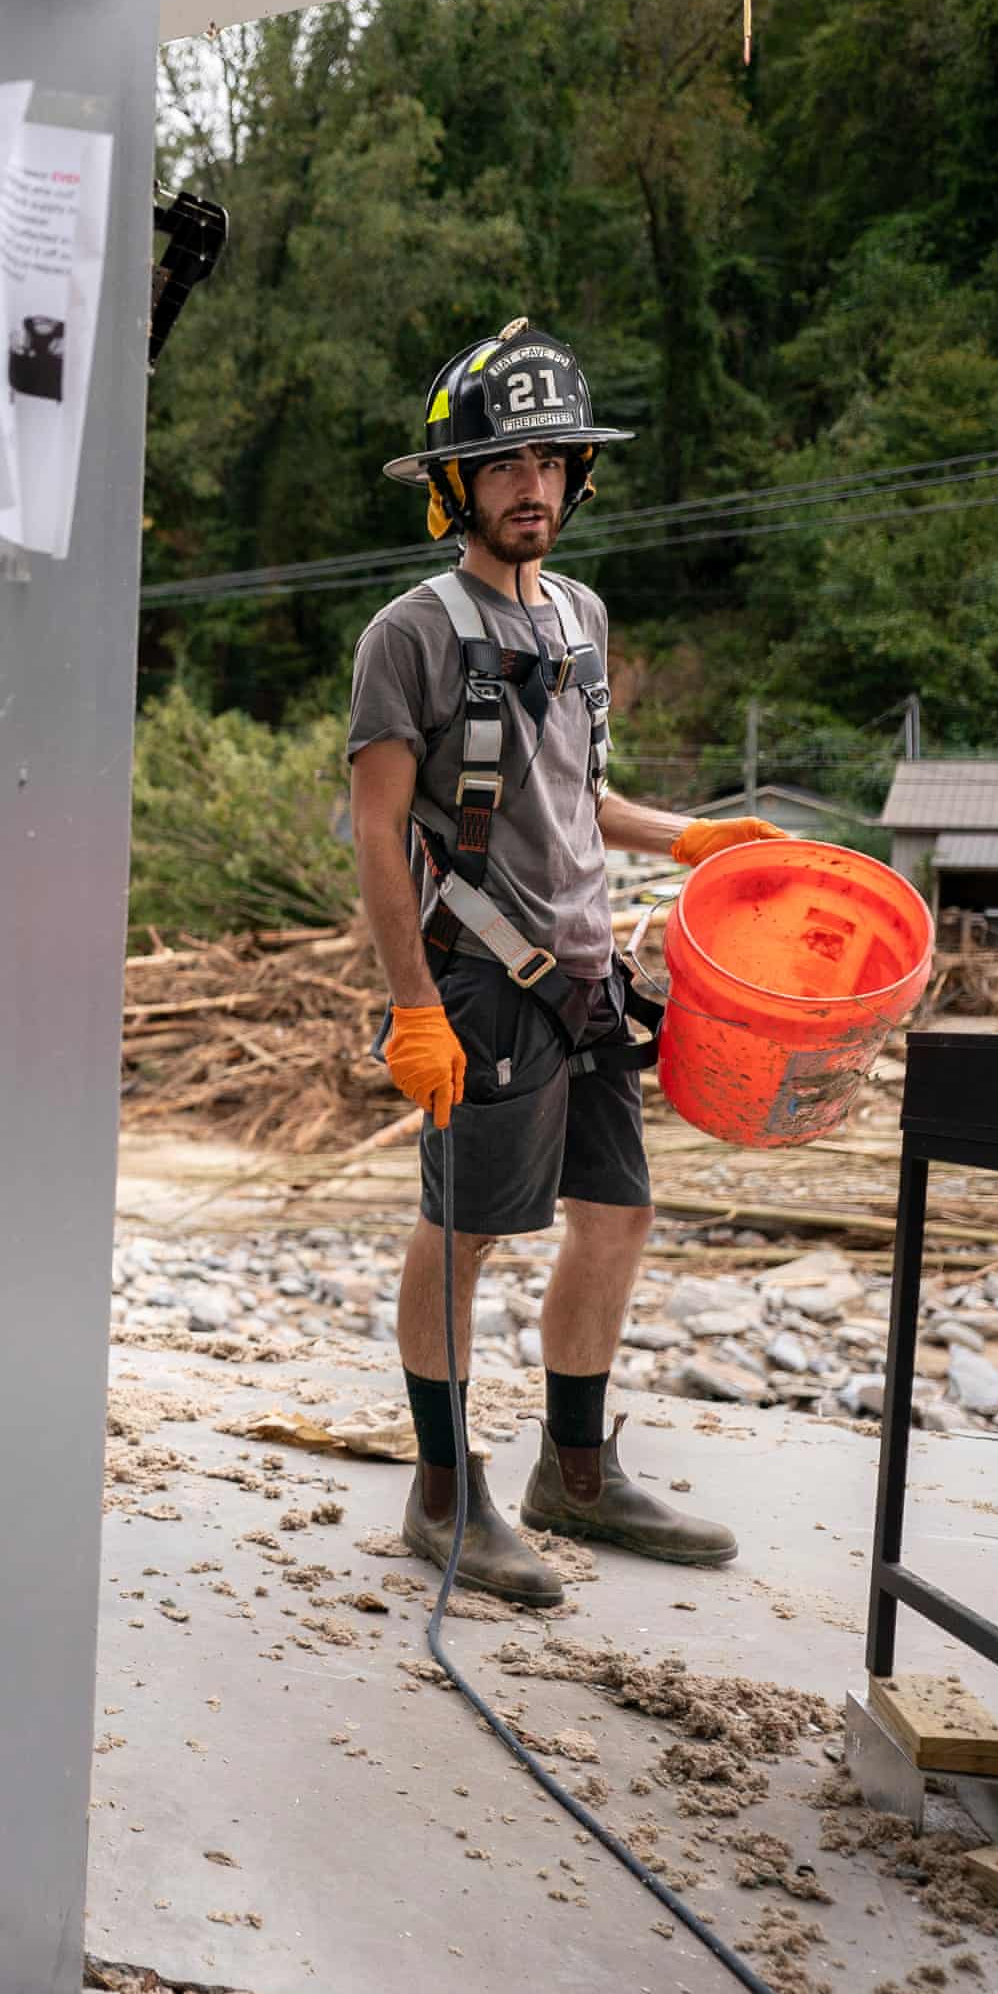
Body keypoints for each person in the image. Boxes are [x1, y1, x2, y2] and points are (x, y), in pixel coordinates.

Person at [342, 320, 789, 1607]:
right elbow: (376, 830)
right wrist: (409, 1007)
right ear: (453, 484)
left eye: (549, 461)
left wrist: (691, 834)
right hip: (477, 977)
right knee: (463, 1231)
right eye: (501, 465)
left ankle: (573, 1473)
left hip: (588, 972)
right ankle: (443, 1494)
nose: (529, 485)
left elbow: (575, 799)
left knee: (618, 1215)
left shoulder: (582, 617)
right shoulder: (408, 637)